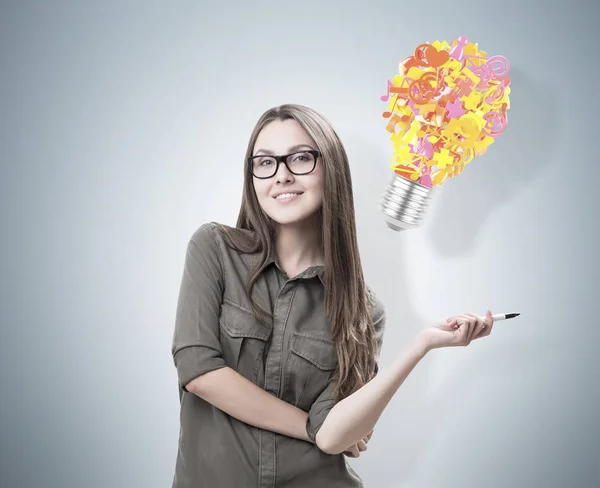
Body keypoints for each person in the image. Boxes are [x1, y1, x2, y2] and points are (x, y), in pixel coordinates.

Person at [170, 104, 495, 488]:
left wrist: (421, 344)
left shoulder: (364, 311)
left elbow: (335, 435)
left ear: (331, 168)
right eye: (265, 163)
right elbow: (199, 371)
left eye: (301, 158)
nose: (282, 175)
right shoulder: (215, 249)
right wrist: (309, 427)